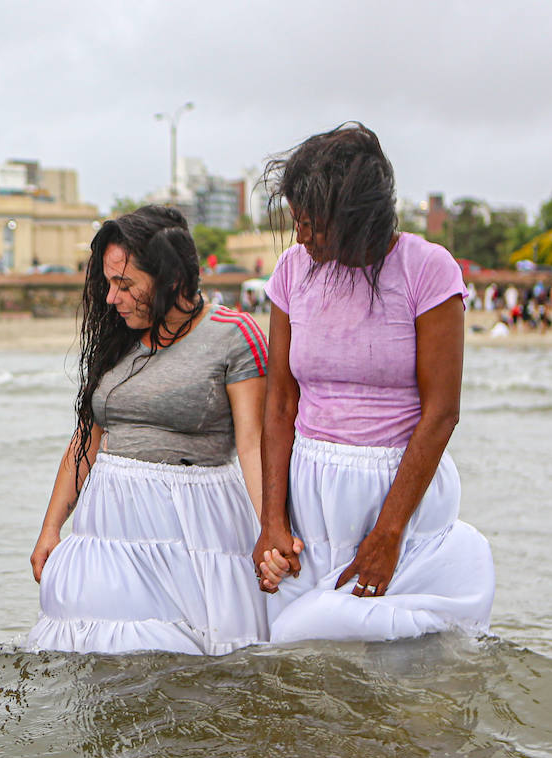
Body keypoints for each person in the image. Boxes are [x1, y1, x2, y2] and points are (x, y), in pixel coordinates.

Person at [254, 123, 493, 643]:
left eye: (312, 224)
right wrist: (273, 519)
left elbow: (441, 412)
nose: (300, 237)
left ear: (355, 219)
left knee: (399, 665)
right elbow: (280, 401)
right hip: (311, 496)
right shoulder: (292, 271)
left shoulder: (427, 270)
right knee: (306, 664)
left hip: (398, 496)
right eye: (296, 221)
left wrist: (389, 533)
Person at [28, 206, 268, 655]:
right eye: (108, 284)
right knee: (97, 665)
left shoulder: (234, 335)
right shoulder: (119, 339)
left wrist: (271, 531)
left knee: (185, 672)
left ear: (171, 280)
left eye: (125, 284)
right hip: (106, 533)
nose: (110, 299)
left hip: (192, 532)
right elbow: (86, 441)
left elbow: (254, 445)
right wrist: (50, 528)